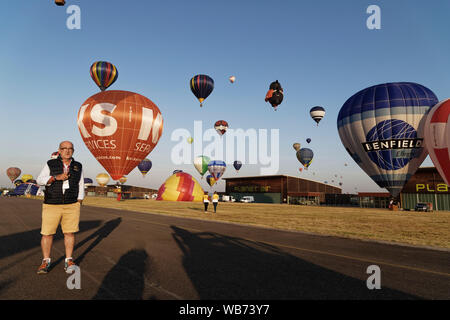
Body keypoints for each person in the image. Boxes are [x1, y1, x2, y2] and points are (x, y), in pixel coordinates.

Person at [36, 141, 84, 274]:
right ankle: (46, 261)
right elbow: (39, 179)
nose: (67, 151)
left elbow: (81, 183)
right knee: (47, 233)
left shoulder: (78, 166)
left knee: (69, 232)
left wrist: (79, 200)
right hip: (52, 203)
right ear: (59, 150)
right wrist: (55, 178)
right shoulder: (50, 163)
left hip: (71, 204)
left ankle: (69, 259)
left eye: (70, 149)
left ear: (73, 151)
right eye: (64, 148)